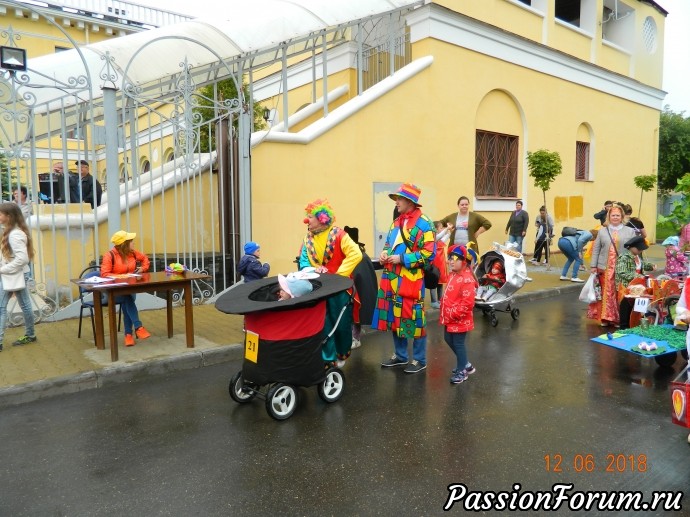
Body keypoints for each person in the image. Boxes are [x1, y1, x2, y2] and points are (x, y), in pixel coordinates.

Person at [373, 183, 436, 374]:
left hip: (411, 279)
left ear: (410, 201)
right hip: (390, 278)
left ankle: (419, 359)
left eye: (399, 199)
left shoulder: (425, 223)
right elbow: (388, 244)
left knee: (414, 317)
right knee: (394, 316)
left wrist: (402, 258)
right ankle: (400, 356)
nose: (396, 202)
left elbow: (429, 254)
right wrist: (384, 253)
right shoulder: (396, 222)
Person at [298, 199, 362, 366]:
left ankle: (341, 354)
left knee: (341, 325)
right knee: (323, 324)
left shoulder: (340, 235)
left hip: (340, 291)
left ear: (322, 218)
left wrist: (338, 276)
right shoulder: (308, 238)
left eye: (310, 216)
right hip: (318, 289)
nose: (307, 220)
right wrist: (313, 270)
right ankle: (327, 358)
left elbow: (356, 254)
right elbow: (303, 261)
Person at [588, 204, 636, 327]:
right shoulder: (603, 231)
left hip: (622, 268)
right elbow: (596, 249)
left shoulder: (630, 231)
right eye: (613, 215)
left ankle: (618, 318)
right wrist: (593, 265)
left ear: (622, 217)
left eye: (617, 215)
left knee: (619, 292)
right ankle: (605, 317)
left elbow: (634, 250)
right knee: (605, 292)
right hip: (604, 267)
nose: (615, 217)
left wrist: (636, 265)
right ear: (609, 216)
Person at [101, 230, 152, 347]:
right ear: (124, 244)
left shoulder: (132, 253)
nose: (133, 243)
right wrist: (121, 276)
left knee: (127, 299)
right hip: (112, 291)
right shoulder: (109, 256)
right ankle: (137, 327)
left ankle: (129, 335)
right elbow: (104, 274)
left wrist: (142, 269)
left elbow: (145, 259)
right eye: (131, 242)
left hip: (128, 287)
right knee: (127, 298)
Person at [440, 244, 478, 385]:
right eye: (450, 258)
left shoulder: (467, 279)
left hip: (459, 319)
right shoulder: (453, 274)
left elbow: (467, 304)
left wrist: (453, 313)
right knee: (447, 338)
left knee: (458, 343)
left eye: (454, 258)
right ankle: (466, 364)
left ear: (464, 262)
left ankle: (462, 371)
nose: (450, 261)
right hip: (449, 317)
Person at [0, 203, 36, 350]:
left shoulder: (15, 234)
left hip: (13, 274)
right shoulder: (13, 231)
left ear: (9, 216)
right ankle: (30, 334)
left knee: (1, 307)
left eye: (1, 214)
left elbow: (22, 259)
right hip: (15, 273)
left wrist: (3, 270)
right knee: (25, 305)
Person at [343, 226, 377, 350]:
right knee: (352, 314)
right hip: (351, 289)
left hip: (357, 291)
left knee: (357, 314)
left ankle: (356, 338)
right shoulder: (352, 255)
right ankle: (354, 335)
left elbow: (361, 277)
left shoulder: (360, 257)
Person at [614, 236, 655, 329]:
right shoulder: (623, 257)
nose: (641, 251)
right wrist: (639, 277)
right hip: (626, 287)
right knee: (626, 309)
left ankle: (633, 326)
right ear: (631, 247)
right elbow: (622, 272)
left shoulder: (637, 256)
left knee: (635, 309)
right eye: (639, 249)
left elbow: (642, 265)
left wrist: (651, 266)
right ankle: (623, 328)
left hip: (637, 287)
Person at [429, 220, 451, 309]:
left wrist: (450, 231)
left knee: (440, 282)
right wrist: (446, 230)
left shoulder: (440, 241)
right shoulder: (433, 239)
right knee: (434, 281)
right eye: (441, 228)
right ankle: (433, 301)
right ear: (435, 229)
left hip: (441, 264)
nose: (442, 229)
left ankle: (440, 299)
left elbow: (446, 237)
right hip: (434, 264)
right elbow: (439, 236)